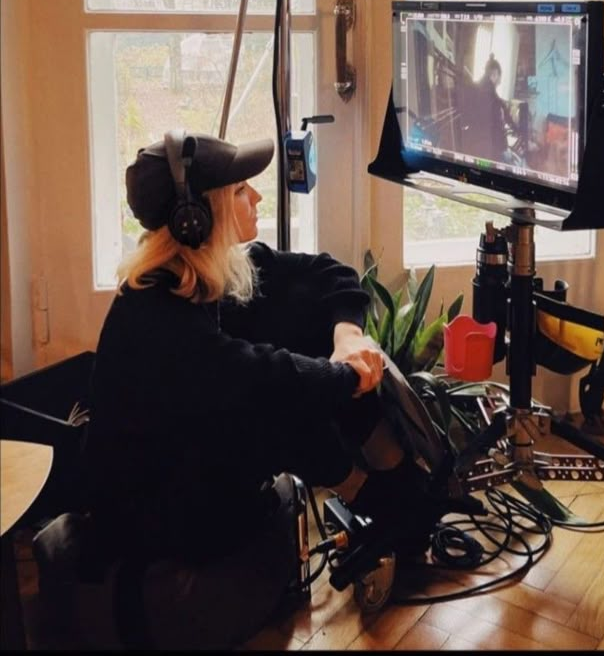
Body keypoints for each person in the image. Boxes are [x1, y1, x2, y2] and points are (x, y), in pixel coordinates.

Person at [82, 129, 432, 647]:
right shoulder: (156, 316)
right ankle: (390, 501)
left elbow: (328, 273)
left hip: (187, 464)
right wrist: (346, 374)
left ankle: (391, 503)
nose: (258, 198)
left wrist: (347, 336)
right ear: (197, 216)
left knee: (303, 338)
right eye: (244, 190)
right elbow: (260, 375)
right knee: (281, 407)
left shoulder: (200, 269)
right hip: (156, 513)